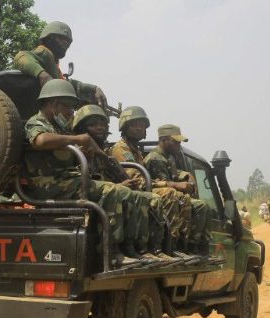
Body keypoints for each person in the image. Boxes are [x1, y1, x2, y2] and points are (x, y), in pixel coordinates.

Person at [22, 79, 138, 267]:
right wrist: (79, 139)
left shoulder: (59, 127)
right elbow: (40, 141)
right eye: (68, 107)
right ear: (52, 104)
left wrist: (81, 152)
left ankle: (128, 248)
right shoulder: (37, 122)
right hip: (48, 185)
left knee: (123, 191)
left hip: (67, 182)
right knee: (112, 191)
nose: (71, 112)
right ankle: (109, 253)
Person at [71, 105, 168, 264]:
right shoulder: (76, 150)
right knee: (122, 192)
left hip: (105, 192)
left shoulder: (105, 152)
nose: (100, 127)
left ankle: (139, 248)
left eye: (103, 123)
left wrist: (122, 183)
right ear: (82, 128)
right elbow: (82, 179)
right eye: (94, 124)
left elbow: (111, 177)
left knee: (145, 197)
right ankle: (113, 251)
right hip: (84, 195)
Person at [109, 107, 192, 258]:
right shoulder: (120, 149)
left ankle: (174, 246)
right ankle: (155, 248)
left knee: (182, 197)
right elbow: (138, 181)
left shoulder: (136, 151)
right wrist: (170, 185)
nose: (140, 128)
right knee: (169, 193)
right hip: (129, 192)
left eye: (143, 125)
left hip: (138, 190)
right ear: (125, 127)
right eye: (136, 125)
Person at [144, 124, 211, 255]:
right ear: (163, 140)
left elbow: (174, 173)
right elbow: (162, 182)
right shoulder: (154, 158)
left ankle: (193, 245)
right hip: (160, 198)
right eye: (175, 141)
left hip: (170, 196)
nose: (178, 145)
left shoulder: (169, 157)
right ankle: (173, 245)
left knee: (202, 205)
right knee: (178, 196)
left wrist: (187, 175)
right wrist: (178, 185)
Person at [14, 21, 106, 108]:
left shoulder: (53, 62)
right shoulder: (44, 52)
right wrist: (43, 75)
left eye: (68, 41)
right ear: (49, 38)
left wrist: (94, 88)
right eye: (62, 38)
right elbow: (21, 56)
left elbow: (67, 83)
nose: (66, 43)